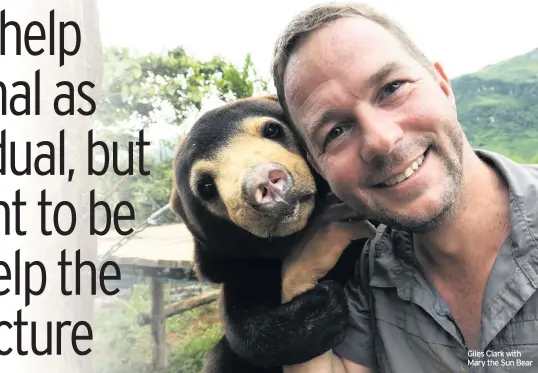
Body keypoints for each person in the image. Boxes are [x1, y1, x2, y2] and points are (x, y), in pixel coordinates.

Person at [270, 2, 538, 372]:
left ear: (443, 86)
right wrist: (298, 286)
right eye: (335, 131)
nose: (380, 140)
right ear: (319, 166)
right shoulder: (365, 276)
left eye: (392, 88)